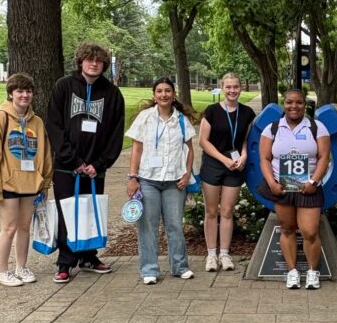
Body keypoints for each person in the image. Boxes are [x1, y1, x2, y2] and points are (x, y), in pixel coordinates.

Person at [46, 42, 125, 284]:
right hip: (67, 166)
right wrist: (74, 160)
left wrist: (99, 163)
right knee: (67, 212)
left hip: (94, 169)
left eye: (98, 61)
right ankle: (65, 262)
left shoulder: (112, 93)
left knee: (90, 211)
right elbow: (54, 126)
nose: (94, 64)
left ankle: (88, 257)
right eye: (89, 59)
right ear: (81, 62)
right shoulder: (64, 86)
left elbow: (115, 133)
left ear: (103, 64)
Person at [0, 72, 53, 286]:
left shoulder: (38, 122)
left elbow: (45, 153)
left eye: (28, 91)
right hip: (7, 183)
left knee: (25, 228)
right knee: (9, 227)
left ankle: (21, 267)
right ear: (11, 93)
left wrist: (45, 181)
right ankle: (1, 271)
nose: (25, 95)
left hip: (31, 183)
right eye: (20, 91)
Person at [125, 77, 196, 284]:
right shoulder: (145, 118)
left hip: (175, 181)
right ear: (154, 95)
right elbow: (136, 150)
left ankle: (180, 266)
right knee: (148, 225)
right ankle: (149, 269)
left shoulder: (181, 120)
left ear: (173, 95)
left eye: (167, 91)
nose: (163, 94)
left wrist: (186, 173)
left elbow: (190, 150)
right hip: (148, 180)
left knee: (174, 225)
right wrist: (133, 178)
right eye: (159, 91)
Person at [259, 89, 331, 290]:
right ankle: (292, 272)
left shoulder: (317, 127)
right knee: (288, 229)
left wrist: (314, 182)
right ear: (284, 104)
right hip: (282, 188)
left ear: (304, 105)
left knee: (309, 231)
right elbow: (264, 159)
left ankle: (312, 272)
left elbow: (324, 157)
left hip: (308, 187)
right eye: (290, 102)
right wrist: (272, 183)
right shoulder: (272, 129)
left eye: (299, 102)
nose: (294, 106)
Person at [198, 73, 256, 272]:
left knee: (228, 211)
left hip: (235, 165)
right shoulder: (212, 111)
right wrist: (224, 159)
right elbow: (203, 141)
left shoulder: (247, 113)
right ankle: (211, 254)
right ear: (222, 88)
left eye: (236, 86)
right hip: (214, 163)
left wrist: (244, 156)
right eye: (228, 87)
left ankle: (224, 253)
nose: (232, 90)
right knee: (212, 211)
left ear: (241, 88)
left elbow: (247, 140)